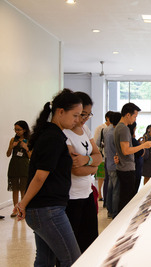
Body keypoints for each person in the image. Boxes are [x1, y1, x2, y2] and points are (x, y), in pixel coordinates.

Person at [13, 89, 82, 266]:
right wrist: (23, 204)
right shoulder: (53, 137)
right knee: (73, 260)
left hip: (44, 209)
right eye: (75, 115)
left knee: (45, 260)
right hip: (47, 210)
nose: (77, 120)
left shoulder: (53, 135)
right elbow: (39, 177)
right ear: (60, 112)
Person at [63, 91, 102, 253]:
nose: (84, 118)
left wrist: (88, 161)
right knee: (72, 248)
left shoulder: (85, 129)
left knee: (90, 242)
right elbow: (76, 170)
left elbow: (98, 156)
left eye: (88, 114)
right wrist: (93, 165)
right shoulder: (65, 133)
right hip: (71, 197)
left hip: (86, 193)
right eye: (81, 114)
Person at [114, 103, 151, 212]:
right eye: (134, 116)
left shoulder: (118, 127)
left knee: (124, 198)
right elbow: (126, 150)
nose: (135, 119)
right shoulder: (124, 129)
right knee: (126, 200)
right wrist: (143, 146)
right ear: (127, 115)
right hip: (126, 169)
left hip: (123, 168)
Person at [6, 120, 31, 217]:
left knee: (23, 189)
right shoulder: (13, 140)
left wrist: (26, 148)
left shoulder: (29, 140)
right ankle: (15, 209)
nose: (17, 131)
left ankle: (23, 209)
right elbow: (8, 154)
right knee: (15, 188)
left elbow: (30, 156)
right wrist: (11, 147)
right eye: (15, 129)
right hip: (14, 165)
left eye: (19, 129)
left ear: (24, 130)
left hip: (24, 166)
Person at [104, 112, 121, 219]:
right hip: (115, 165)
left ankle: (110, 211)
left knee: (110, 188)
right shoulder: (115, 133)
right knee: (116, 190)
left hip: (108, 163)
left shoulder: (107, 131)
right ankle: (115, 213)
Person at [94, 111, 112, 202]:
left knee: (107, 176)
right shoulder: (101, 128)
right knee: (101, 175)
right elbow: (96, 142)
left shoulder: (111, 128)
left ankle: (104, 194)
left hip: (108, 155)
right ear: (108, 118)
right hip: (101, 155)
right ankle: (100, 194)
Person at [128, 122, 144, 197]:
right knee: (133, 191)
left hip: (134, 167)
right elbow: (141, 152)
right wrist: (142, 146)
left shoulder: (132, 139)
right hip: (135, 167)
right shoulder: (131, 140)